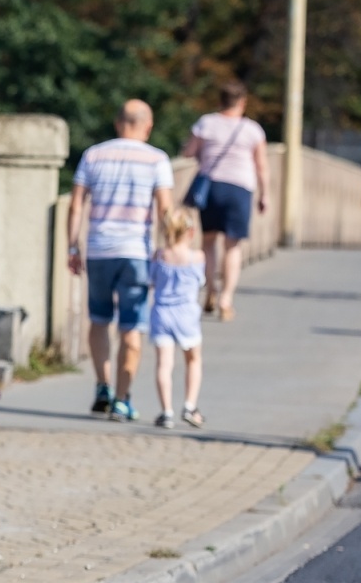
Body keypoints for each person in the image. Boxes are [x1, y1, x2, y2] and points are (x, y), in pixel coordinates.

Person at [67, 99, 175, 423]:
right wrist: (167, 250)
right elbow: (165, 211)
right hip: (136, 254)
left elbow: (75, 205)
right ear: (148, 125)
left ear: (118, 123)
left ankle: (102, 385)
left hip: (99, 249)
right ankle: (123, 398)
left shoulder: (93, 154)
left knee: (99, 320)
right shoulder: (157, 159)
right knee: (132, 327)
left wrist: (73, 246)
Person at [181, 81, 267, 322]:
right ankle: (226, 299)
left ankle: (210, 290)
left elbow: (188, 151)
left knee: (208, 241)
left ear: (220, 100)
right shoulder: (252, 130)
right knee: (233, 246)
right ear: (243, 102)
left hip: (212, 187)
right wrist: (265, 194)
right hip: (240, 188)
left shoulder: (206, 123)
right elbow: (261, 166)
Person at [149, 206, 206, 429]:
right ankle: (190, 406)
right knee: (193, 359)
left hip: (162, 313)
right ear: (190, 233)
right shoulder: (196, 257)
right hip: (187, 315)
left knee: (164, 363)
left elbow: (152, 280)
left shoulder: (160, 255)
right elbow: (201, 281)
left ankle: (166, 412)